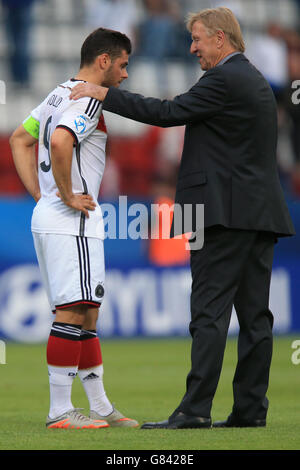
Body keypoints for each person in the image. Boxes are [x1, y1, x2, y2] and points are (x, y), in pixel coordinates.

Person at [69, 7, 295, 429]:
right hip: (259, 213)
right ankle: (249, 411)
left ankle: (194, 410)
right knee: (256, 317)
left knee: (207, 312)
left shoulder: (224, 79)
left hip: (217, 215)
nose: (191, 48)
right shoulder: (255, 80)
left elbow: (168, 113)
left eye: (196, 39)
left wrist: (103, 93)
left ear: (220, 39)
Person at [10, 28, 139, 429]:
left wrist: (43, 195)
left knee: (86, 312)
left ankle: (99, 405)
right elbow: (63, 142)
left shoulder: (57, 93)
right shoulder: (88, 99)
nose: (125, 74)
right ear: (104, 61)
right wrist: (65, 195)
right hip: (72, 220)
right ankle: (60, 411)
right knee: (72, 311)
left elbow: (19, 139)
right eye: (122, 64)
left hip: (52, 216)